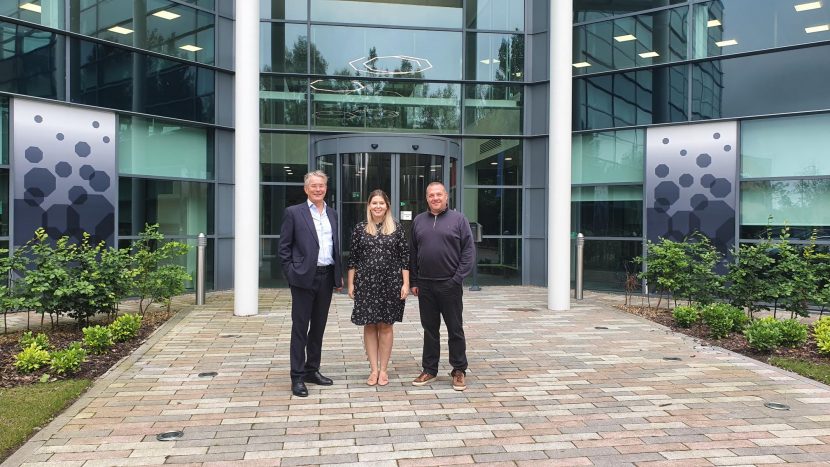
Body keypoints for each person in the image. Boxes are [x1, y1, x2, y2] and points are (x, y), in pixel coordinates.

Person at [279, 170, 343, 397]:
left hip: (326, 277)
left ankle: (311, 370)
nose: (318, 189)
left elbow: (334, 246)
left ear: (326, 188)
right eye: (314, 186)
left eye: (322, 186)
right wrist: (292, 274)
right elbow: (284, 248)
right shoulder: (294, 213)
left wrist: (338, 275)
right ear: (306, 189)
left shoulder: (332, 214)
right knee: (300, 329)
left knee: (318, 328)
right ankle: (296, 377)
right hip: (303, 279)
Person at [409, 181, 475, 391]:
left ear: (446, 196)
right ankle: (430, 369)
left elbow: (468, 253)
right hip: (425, 286)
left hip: (450, 285)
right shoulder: (419, 221)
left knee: (455, 329)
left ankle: (458, 369)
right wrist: (414, 281)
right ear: (427, 198)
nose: (435, 198)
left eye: (439, 194)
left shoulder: (459, 219)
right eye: (431, 195)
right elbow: (412, 253)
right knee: (430, 330)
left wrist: (456, 279)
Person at [347, 190, 410, 387]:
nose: (377, 206)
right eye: (374, 203)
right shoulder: (360, 229)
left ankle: (384, 370)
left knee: (386, 325)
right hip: (366, 283)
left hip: (391, 283)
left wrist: (406, 283)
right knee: (370, 324)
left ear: (387, 206)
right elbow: (353, 258)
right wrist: (350, 283)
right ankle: (373, 370)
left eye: (381, 203)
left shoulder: (397, 229)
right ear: (369, 206)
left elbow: (404, 258)